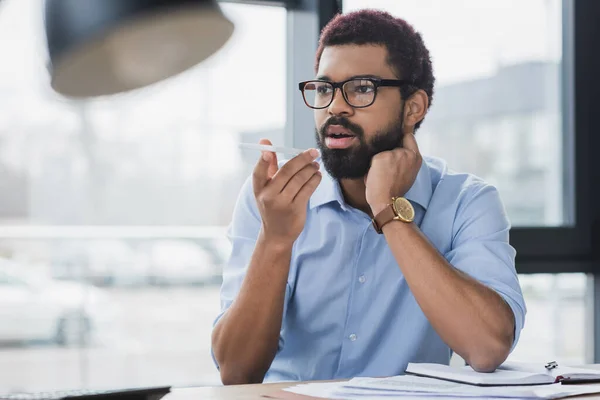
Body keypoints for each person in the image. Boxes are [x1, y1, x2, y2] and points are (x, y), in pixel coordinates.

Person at [211, 9, 526, 385]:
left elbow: (488, 347)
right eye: (325, 89)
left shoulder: (466, 202)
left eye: (362, 88)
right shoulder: (275, 196)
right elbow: (236, 372)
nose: (335, 106)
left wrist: (388, 209)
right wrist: (275, 242)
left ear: (413, 108)